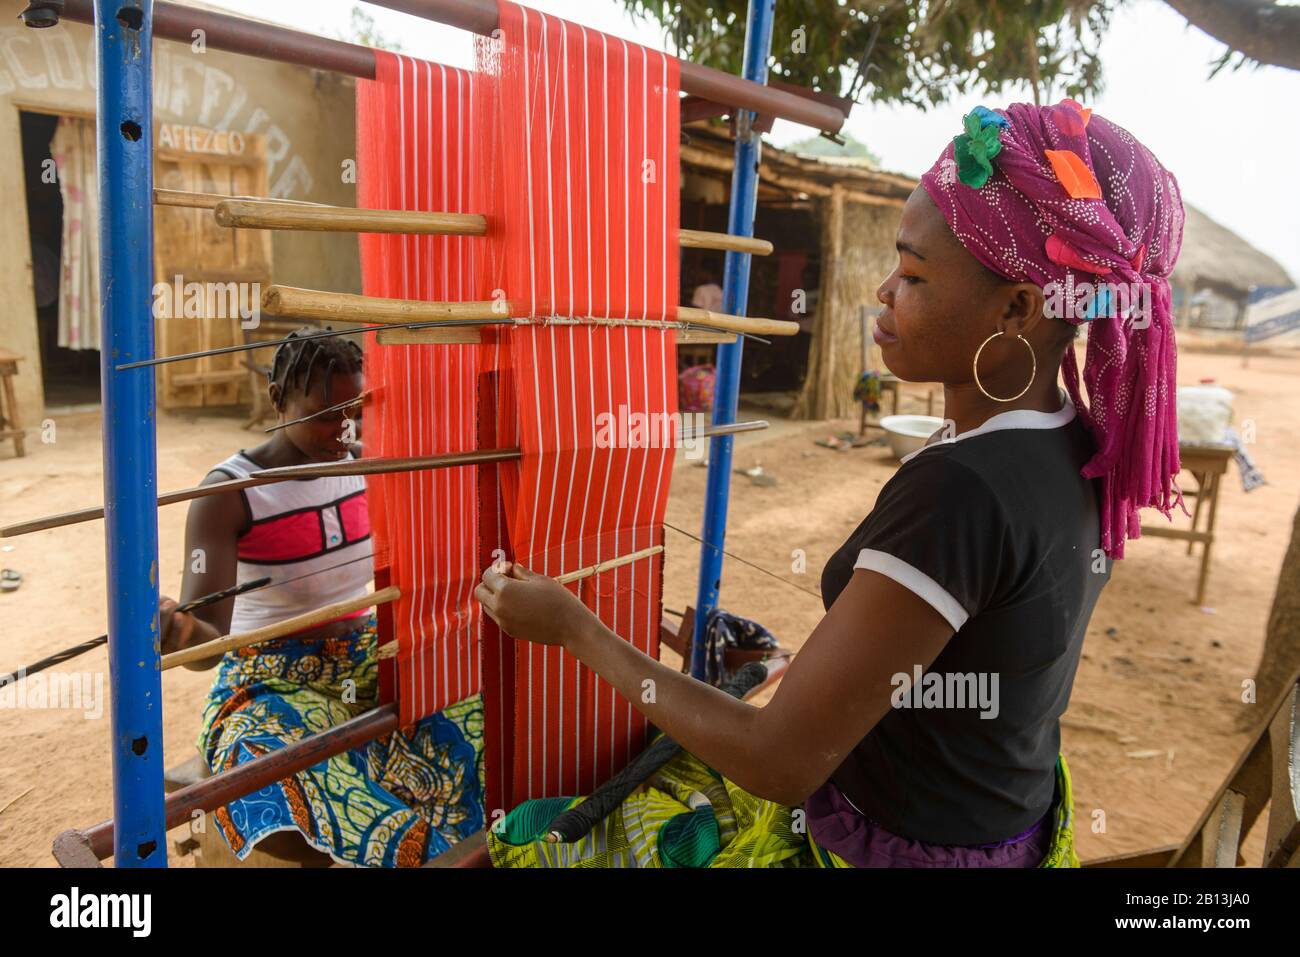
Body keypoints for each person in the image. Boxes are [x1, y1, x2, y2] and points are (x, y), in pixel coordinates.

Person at [474, 99, 1185, 868]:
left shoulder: (962, 493)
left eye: (912, 273)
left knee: (531, 845)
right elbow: (963, 650)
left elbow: (780, 761)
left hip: (896, 848)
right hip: (1004, 824)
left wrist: (576, 629)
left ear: (1016, 308)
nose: (883, 290)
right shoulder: (1070, 442)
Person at [159, 329, 485, 867]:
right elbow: (210, 643)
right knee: (262, 778)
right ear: (278, 401)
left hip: (364, 658)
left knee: (469, 719)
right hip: (268, 677)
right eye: (325, 414)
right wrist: (184, 633)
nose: (344, 428)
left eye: (354, 410)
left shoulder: (370, 467)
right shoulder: (229, 494)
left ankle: (459, 851)